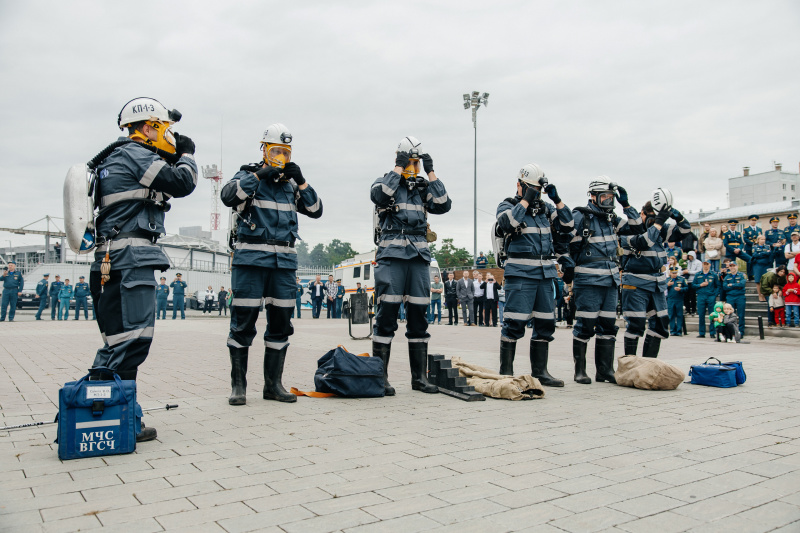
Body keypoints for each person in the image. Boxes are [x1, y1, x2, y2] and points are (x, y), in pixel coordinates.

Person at [86, 97, 196, 442]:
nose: (170, 136)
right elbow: (182, 183)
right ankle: (90, 411)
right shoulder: (135, 153)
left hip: (112, 261)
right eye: (166, 129)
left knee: (121, 343)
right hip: (129, 261)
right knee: (131, 342)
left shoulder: (118, 157)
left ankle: (121, 420)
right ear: (149, 127)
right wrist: (187, 155)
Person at [221, 122, 322, 406]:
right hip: (251, 262)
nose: (281, 156)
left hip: (284, 264)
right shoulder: (247, 175)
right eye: (276, 150)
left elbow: (315, 210)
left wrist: (301, 181)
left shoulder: (291, 184)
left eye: (285, 152)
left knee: (281, 324)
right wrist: (258, 174)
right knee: (243, 324)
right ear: (264, 150)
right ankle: (238, 386)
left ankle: (272, 385)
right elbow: (228, 196)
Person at [370, 136, 451, 395]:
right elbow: (379, 196)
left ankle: (419, 379)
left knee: (419, 319)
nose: (412, 169)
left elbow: (444, 205)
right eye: (409, 163)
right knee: (386, 318)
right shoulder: (385, 180)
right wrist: (398, 169)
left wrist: (431, 172)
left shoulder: (422, 187)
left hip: (418, 258)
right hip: (392, 257)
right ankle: (380, 379)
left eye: (415, 164)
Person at [496, 163, 574, 386]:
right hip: (520, 274)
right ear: (520, 185)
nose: (536, 193)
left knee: (546, 322)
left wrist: (557, 200)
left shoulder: (547, 209)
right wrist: (525, 199)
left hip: (545, 274)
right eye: (531, 188)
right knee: (514, 322)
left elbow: (568, 226)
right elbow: (507, 224)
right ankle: (506, 373)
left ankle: (541, 372)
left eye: (537, 190)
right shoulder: (508, 204)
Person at [569, 178, 642, 384]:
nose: (608, 201)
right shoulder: (580, 216)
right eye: (605, 197)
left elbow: (637, 229)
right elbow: (563, 240)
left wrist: (626, 205)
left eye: (611, 197)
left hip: (610, 280)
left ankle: (604, 371)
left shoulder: (611, 218)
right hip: (588, 279)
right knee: (585, 325)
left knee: (608, 327)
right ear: (592, 196)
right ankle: (580, 371)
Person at [619, 201, 690, 358]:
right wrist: (657, 223)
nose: (652, 221)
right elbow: (645, 242)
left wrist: (675, 214)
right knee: (635, 324)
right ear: (641, 214)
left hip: (657, 283)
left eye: (656, 218)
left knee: (660, 324)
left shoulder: (661, 229)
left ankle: (648, 366)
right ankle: (630, 366)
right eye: (650, 217)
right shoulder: (628, 229)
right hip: (635, 282)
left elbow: (685, 230)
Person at [692, 260, 719, 338]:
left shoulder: (713, 274)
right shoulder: (698, 275)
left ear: (710, 265)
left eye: (707, 264)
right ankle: (702, 332)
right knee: (701, 315)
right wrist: (700, 285)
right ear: (702, 265)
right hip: (701, 296)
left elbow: (717, 286)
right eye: (704, 264)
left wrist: (715, 294)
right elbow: (693, 285)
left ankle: (712, 332)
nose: (706, 266)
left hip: (711, 296)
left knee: (712, 314)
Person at [722, 261, 747, 338]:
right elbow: (725, 287)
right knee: (728, 315)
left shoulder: (742, 275)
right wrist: (736, 286)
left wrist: (732, 285)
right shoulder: (727, 276)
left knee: (741, 315)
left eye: (734, 266)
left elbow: (742, 284)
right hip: (730, 297)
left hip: (740, 296)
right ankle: (730, 332)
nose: (732, 267)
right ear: (729, 267)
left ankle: (740, 332)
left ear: (737, 266)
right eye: (731, 266)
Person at [666, 266, 687, 336]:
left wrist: (681, 289)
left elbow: (686, 288)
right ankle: (672, 330)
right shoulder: (667, 279)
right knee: (671, 315)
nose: (674, 274)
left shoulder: (681, 279)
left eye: (675, 273)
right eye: (673, 273)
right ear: (670, 273)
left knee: (679, 315)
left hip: (679, 299)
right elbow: (662, 288)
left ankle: (679, 331)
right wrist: (667, 285)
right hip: (670, 299)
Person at [743, 215, 762, 281]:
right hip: (749, 247)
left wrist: (757, 244)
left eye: (755, 220)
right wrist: (753, 244)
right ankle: (750, 275)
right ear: (750, 221)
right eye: (752, 220)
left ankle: (756, 274)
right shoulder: (746, 229)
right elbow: (745, 239)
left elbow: (761, 238)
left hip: (757, 248)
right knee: (750, 261)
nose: (753, 222)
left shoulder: (759, 229)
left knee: (756, 261)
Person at [683, 251, 702, 316]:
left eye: (691, 256)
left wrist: (689, 272)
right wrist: (684, 272)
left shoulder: (698, 262)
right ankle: (687, 310)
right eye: (689, 256)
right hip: (686, 281)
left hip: (693, 281)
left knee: (692, 297)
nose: (690, 257)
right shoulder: (687, 262)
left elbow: (698, 271)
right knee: (686, 297)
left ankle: (693, 310)